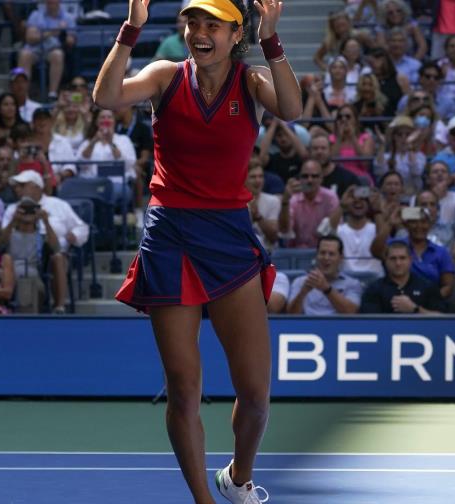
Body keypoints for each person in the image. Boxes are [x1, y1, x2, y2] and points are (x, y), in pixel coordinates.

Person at [95, 0, 301, 501]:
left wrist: (272, 39)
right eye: (193, 23)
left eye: (213, 24)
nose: (200, 32)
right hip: (169, 236)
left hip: (229, 236)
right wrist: (132, 28)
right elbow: (106, 97)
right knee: (184, 389)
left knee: (255, 394)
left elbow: (292, 109)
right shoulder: (165, 76)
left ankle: (238, 478)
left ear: (236, 35)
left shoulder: (251, 82)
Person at [3, 170, 89, 314]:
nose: (17, 189)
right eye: (16, 186)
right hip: (20, 256)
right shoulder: (13, 209)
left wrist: (74, 235)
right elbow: (2, 238)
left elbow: (82, 227)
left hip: (52, 254)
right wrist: (15, 220)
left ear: (37, 186)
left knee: (58, 257)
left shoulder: (58, 205)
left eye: (22, 185)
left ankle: (59, 307)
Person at [372, 205, 455, 298]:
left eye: (423, 222)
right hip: (396, 299)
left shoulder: (441, 252)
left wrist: (429, 302)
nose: (419, 226)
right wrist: (390, 223)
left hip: (429, 302)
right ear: (407, 225)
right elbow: (376, 251)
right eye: (414, 222)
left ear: (430, 225)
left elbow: (448, 286)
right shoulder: (397, 245)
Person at [359, 239, 445, 313]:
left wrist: (415, 309)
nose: (398, 263)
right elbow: (370, 322)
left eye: (402, 258)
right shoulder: (374, 289)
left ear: (410, 260)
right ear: (386, 261)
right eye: (393, 258)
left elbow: (442, 319)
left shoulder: (427, 286)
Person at [287, 235, 363, 315]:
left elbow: (351, 312)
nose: (326, 258)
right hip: (307, 322)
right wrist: (303, 292)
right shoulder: (300, 281)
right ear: (316, 256)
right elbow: (291, 315)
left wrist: (327, 289)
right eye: (322, 253)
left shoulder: (352, 284)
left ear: (341, 258)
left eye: (331, 254)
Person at [18, 0, 77, 98]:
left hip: (53, 49)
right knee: (24, 55)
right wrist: (52, 32)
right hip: (35, 49)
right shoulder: (36, 15)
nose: (51, 2)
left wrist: (64, 33)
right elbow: (30, 38)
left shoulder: (68, 18)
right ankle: (23, 94)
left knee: (58, 55)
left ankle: (52, 93)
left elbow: (71, 41)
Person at [279, 160, 340, 248]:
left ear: (321, 178)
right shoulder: (292, 198)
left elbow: (334, 230)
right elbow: (284, 231)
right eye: (305, 176)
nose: (309, 180)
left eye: (314, 176)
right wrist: (285, 201)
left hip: (323, 250)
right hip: (295, 251)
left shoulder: (330, 198)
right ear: (299, 178)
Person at [327, 185, 384, 278]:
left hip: (374, 280)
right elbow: (325, 233)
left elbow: (383, 240)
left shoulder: (376, 228)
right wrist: (342, 206)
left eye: (363, 199)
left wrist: (377, 210)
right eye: (353, 199)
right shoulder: (339, 230)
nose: (358, 202)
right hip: (345, 280)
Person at [245, 160, 280, 252]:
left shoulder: (273, 201)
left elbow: (273, 238)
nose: (258, 180)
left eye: (261, 176)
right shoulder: (235, 203)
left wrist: (258, 216)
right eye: (253, 177)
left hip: (268, 253)